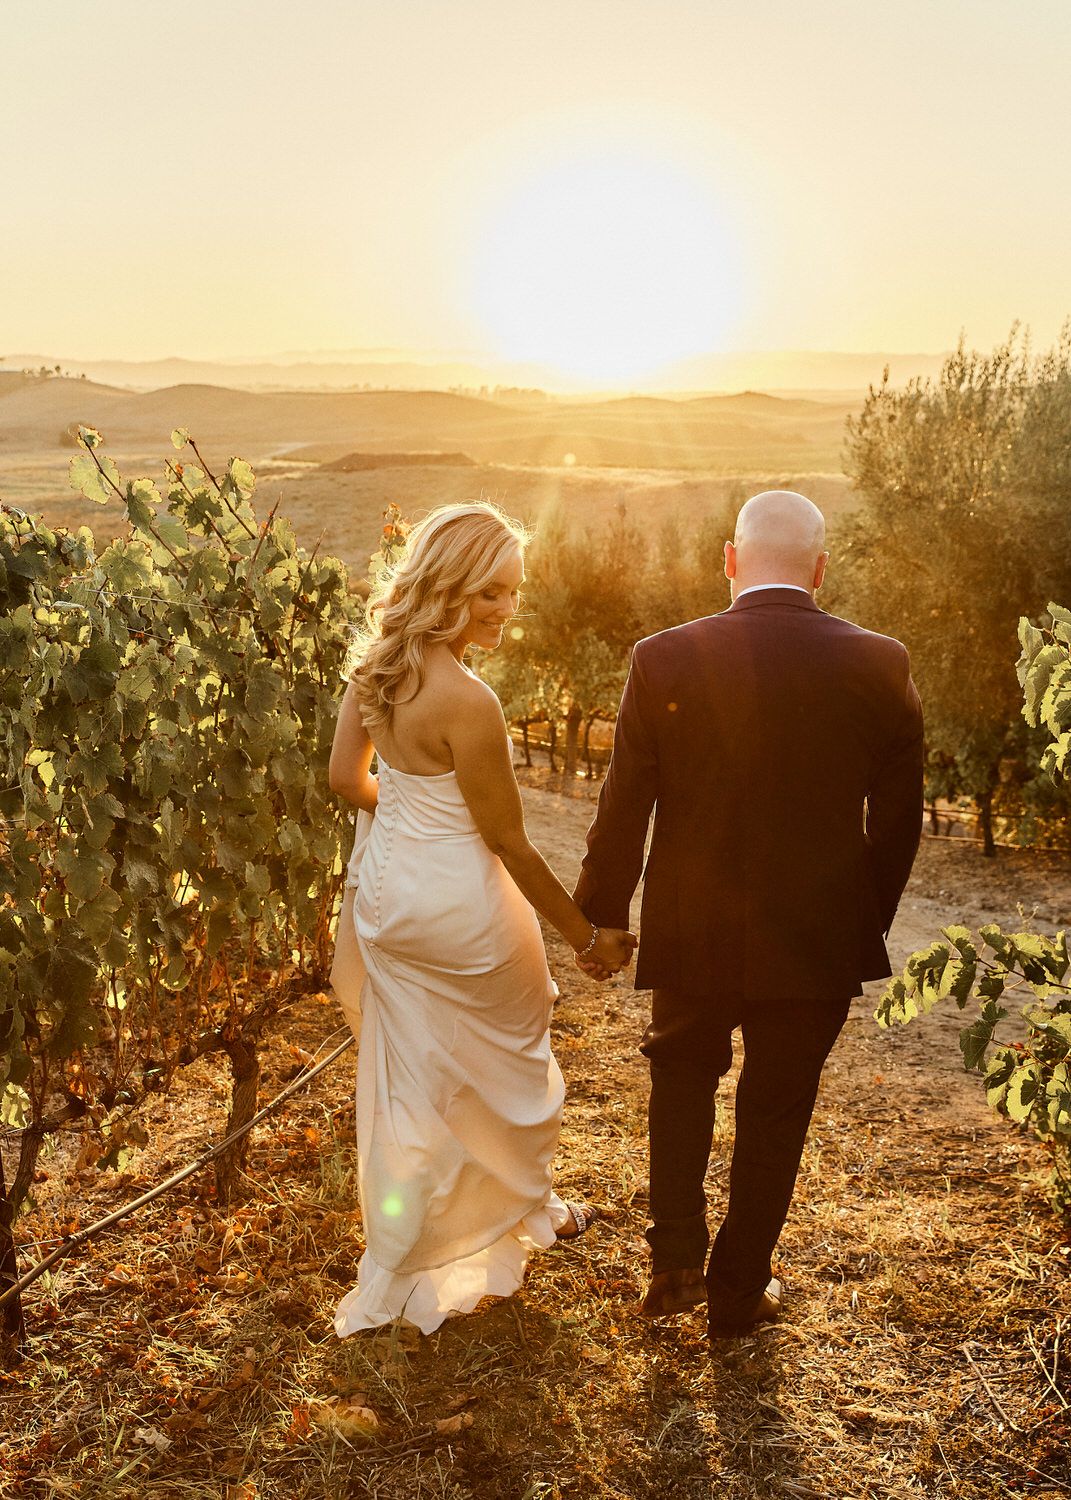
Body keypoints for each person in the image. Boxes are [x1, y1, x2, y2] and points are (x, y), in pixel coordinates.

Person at [573, 490, 923, 1341]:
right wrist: (857, 922)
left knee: (681, 1077)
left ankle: (674, 1259)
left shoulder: (661, 658)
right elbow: (900, 824)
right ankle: (737, 1294)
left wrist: (600, 917)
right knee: (776, 1106)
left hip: (694, 922)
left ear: (730, 561)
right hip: (815, 936)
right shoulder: (881, 662)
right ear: (819, 568)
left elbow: (625, 804)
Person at [329, 502, 635, 1335]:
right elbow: (506, 841)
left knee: (415, 1081)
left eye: (512, 594)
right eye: (490, 593)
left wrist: (404, 821)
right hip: (461, 908)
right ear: (446, 585)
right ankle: (514, 1209)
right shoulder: (468, 699)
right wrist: (584, 937)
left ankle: (407, 1244)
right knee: (509, 1066)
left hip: (389, 903)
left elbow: (343, 782)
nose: (505, 610)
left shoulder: (375, 672)